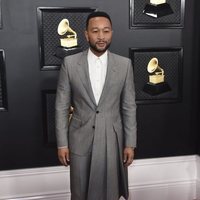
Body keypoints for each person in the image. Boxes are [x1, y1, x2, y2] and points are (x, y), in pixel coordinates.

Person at [55, 11, 137, 200]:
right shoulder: (70, 63)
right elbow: (61, 106)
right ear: (86, 34)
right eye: (95, 31)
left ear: (111, 33)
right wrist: (62, 143)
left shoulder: (124, 65)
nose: (101, 36)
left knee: (111, 191)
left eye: (106, 31)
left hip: (113, 139)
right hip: (79, 137)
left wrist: (130, 143)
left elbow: (129, 107)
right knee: (80, 191)